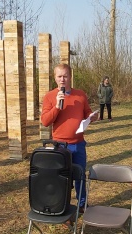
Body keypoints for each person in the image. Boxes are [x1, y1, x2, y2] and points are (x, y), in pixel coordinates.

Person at [41, 63, 98, 212]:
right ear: (55, 78)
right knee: (60, 177)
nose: (62, 79)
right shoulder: (49, 96)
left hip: (78, 144)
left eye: (65, 76)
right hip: (59, 145)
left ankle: (82, 204)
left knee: (79, 175)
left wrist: (92, 117)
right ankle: (60, 205)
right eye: (59, 76)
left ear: (70, 77)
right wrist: (57, 107)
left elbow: (87, 112)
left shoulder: (80, 94)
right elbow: (45, 121)